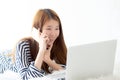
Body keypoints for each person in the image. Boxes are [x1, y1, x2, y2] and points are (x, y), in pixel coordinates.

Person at [0, 8, 67, 80]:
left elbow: (67, 71)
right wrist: (41, 50)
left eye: (56, 28)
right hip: (5, 58)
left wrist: (48, 60)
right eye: (48, 28)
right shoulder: (23, 45)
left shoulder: (57, 43)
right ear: (38, 30)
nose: (53, 34)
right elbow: (26, 77)